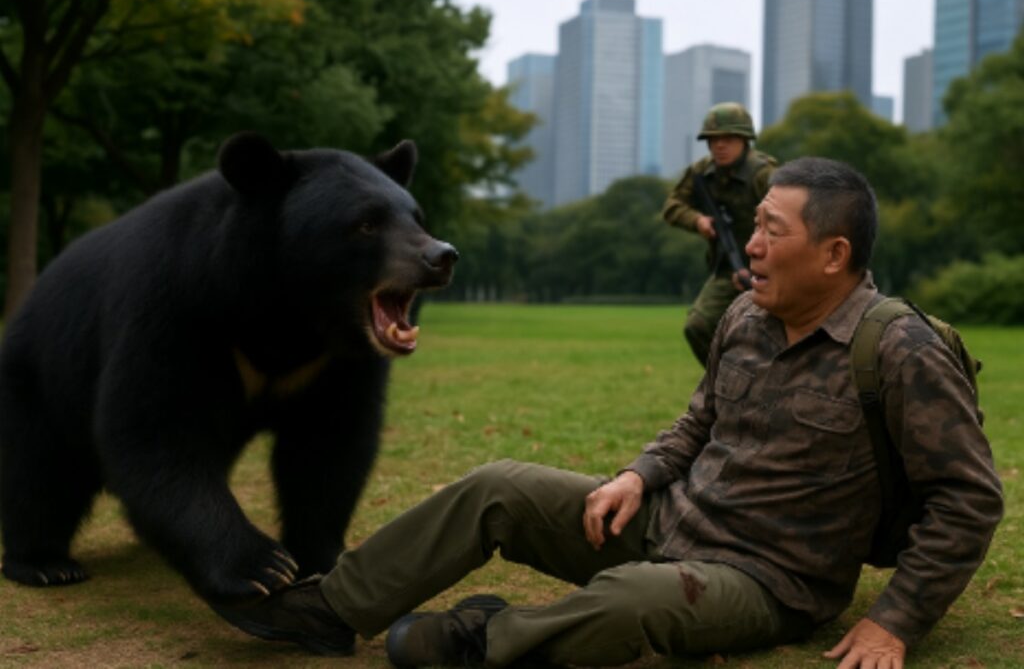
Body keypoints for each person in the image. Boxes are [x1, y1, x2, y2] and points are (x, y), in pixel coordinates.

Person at [215, 158, 1003, 668]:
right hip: (670, 519)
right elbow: (698, 422)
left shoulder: (897, 348)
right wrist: (637, 474)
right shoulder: (746, 316)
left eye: (773, 229)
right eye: (755, 223)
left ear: (834, 255)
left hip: (766, 579)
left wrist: (895, 620)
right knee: (498, 485)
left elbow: (968, 498)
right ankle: (330, 606)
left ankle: (485, 637)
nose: (753, 245)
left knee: (634, 602)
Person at [662, 101, 778, 367]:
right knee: (698, 326)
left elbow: (791, 219)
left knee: (774, 337)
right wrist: (697, 221)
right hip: (727, 270)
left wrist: (763, 268)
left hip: (773, 269)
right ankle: (726, 381)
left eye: (728, 139)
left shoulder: (764, 174)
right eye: (713, 140)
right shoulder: (701, 173)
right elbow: (671, 207)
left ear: (744, 140)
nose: (719, 146)